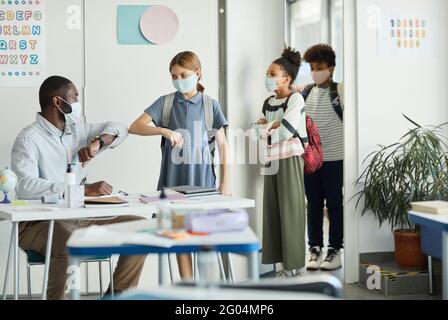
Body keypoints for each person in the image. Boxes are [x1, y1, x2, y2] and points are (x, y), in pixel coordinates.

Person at [11, 75, 146, 299]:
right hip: (40, 222)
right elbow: (25, 186)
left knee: (141, 230)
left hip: (83, 214)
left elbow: (120, 129)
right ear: (58, 102)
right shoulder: (28, 139)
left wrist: (97, 143)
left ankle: (117, 296)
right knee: (69, 239)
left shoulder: (78, 131)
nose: (77, 102)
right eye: (74, 97)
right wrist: (80, 191)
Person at [129, 51, 230, 279]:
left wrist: (226, 181)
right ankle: (189, 288)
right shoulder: (165, 103)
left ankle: (205, 290)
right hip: (172, 183)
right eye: (173, 76)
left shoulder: (210, 106)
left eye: (183, 75)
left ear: (197, 73)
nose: (178, 80)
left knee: (202, 238)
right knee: (178, 237)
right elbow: (135, 126)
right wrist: (163, 130)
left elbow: (223, 146)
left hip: (202, 183)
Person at [255, 47, 308, 277]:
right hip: (271, 160)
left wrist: (267, 128)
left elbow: (285, 132)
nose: (268, 77)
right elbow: (260, 131)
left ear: (286, 78)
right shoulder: (268, 101)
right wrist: (269, 127)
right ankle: (279, 266)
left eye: (272, 73)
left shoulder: (295, 98)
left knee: (291, 211)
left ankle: (295, 266)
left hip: (290, 160)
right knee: (272, 212)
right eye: (267, 72)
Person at [302, 44, 344, 271]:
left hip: (336, 159)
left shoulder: (340, 91)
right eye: (312, 68)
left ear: (331, 68)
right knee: (314, 205)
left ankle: (335, 250)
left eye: (319, 68)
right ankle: (315, 248)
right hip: (311, 160)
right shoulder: (306, 92)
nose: (315, 72)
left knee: (335, 205)